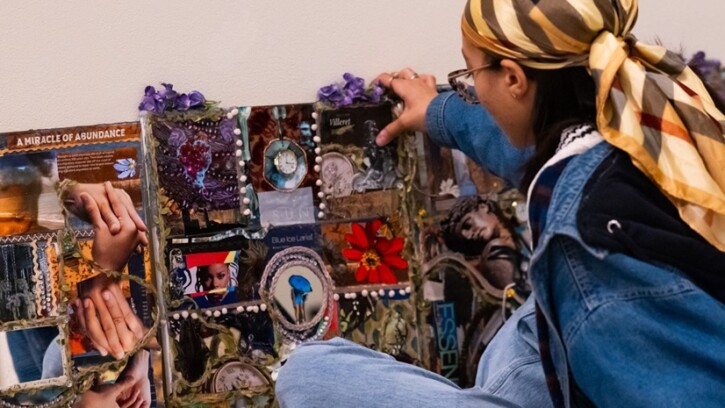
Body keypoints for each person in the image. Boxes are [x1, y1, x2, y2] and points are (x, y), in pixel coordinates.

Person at [277, 1, 725, 407]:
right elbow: (527, 151)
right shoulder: (644, 124)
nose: (472, 91)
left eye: (470, 77)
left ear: (513, 78)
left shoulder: (584, 247)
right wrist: (439, 111)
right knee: (521, 340)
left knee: (309, 375)